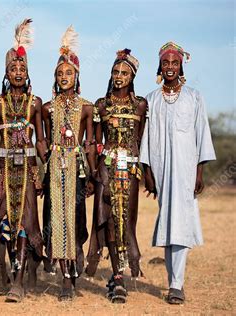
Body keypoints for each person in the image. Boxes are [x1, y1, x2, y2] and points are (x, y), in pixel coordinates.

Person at [140, 41, 216, 305]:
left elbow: (201, 134)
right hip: (161, 169)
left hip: (185, 170)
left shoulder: (194, 97)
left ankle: (176, 285)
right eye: (165, 63)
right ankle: (173, 281)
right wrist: (147, 172)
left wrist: (199, 172)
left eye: (174, 63)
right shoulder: (151, 99)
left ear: (181, 65)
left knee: (181, 223)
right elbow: (146, 139)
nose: (170, 67)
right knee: (168, 221)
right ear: (160, 65)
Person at [0, 18, 47, 303]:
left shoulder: (36, 103)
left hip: (27, 172)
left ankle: (19, 280)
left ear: (28, 72)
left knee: (24, 223)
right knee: (4, 225)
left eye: (22, 68)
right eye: (13, 68)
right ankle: (7, 273)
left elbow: (42, 140)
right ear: (6, 72)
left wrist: (44, 173)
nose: (18, 72)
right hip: (3, 173)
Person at [85, 49, 147, 303]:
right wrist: (95, 171)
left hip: (130, 170)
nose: (119, 76)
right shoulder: (102, 104)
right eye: (115, 72)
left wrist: (147, 175)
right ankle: (117, 278)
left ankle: (121, 270)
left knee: (126, 221)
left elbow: (142, 140)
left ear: (132, 77)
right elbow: (96, 142)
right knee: (108, 219)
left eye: (124, 73)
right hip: (107, 169)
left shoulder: (140, 104)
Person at [41, 26, 95, 301]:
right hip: (54, 170)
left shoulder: (87, 108)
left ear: (77, 76)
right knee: (56, 221)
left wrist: (94, 177)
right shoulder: (47, 108)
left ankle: (77, 256)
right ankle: (65, 279)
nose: (64, 77)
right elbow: (43, 143)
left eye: (69, 73)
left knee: (77, 221)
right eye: (60, 74)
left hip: (78, 170)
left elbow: (91, 144)